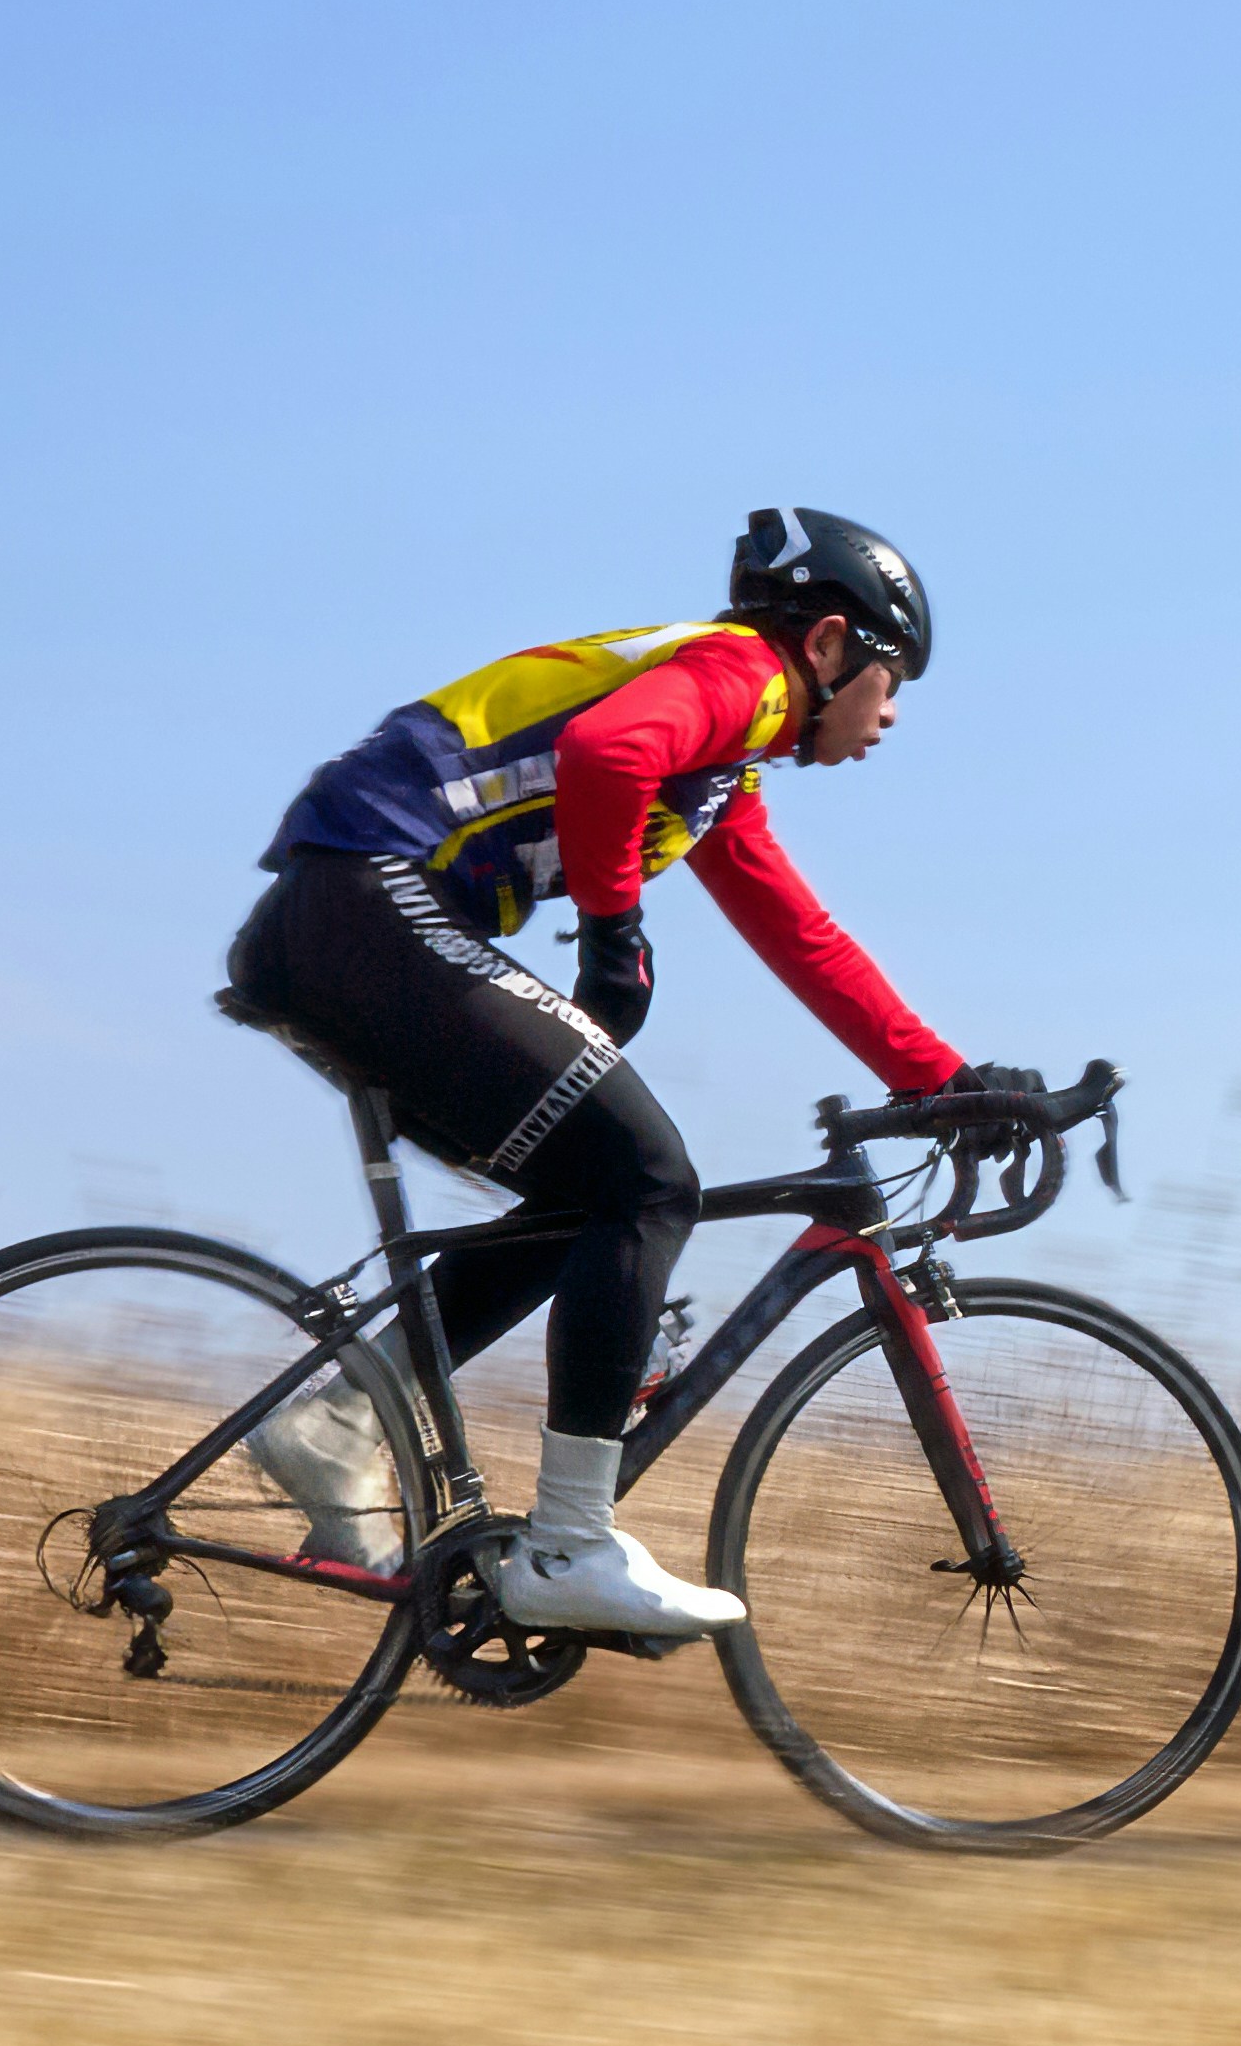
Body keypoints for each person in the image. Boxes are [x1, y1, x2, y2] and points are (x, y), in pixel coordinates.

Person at [220, 507, 1041, 1638]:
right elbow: (607, 754)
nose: (891, 712)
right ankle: (567, 1544)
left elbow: (803, 937)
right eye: (891, 678)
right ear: (829, 646)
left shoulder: (722, 768)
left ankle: (342, 1425)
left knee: (590, 1193)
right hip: (365, 898)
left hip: (340, 920)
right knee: (652, 1180)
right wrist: (614, 932)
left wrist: (947, 1080)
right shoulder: (740, 676)